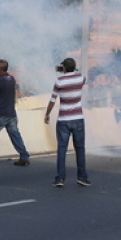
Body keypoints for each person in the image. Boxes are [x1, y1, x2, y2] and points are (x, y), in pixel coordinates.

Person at [44, 57, 89, 187]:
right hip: (78, 118)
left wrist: (47, 114)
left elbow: (52, 100)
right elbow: (81, 76)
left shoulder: (59, 81)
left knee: (62, 150)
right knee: (80, 149)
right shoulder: (80, 78)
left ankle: (60, 179)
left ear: (63, 68)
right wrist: (71, 70)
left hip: (63, 120)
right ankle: (82, 177)